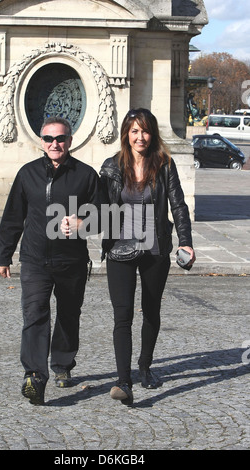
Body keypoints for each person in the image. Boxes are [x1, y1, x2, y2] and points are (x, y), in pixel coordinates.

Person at [0, 116, 100, 405]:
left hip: (72, 261)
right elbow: (13, 216)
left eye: (61, 138)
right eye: (49, 139)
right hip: (34, 260)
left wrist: (82, 222)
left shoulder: (86, 175)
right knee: (35, 316)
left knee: (69, 314)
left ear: (70, 140)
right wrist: (4, 255)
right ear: (40, 141)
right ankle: (34, 376)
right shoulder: (27, 174)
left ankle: (63, 364)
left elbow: (104, 215)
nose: (55, 144)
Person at [99, 108, 195, 406]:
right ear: (126, 134)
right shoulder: (112, 167)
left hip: (155, 248)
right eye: (134, 131)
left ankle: (145, 365)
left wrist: (186, 242)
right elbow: (99, 206)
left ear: (152, 133)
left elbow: (178, 205)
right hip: (120, 248)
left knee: (151, 310)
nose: (140, 137)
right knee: (122, 316)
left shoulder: (164, 164)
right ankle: (123, 381)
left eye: (145, 131)